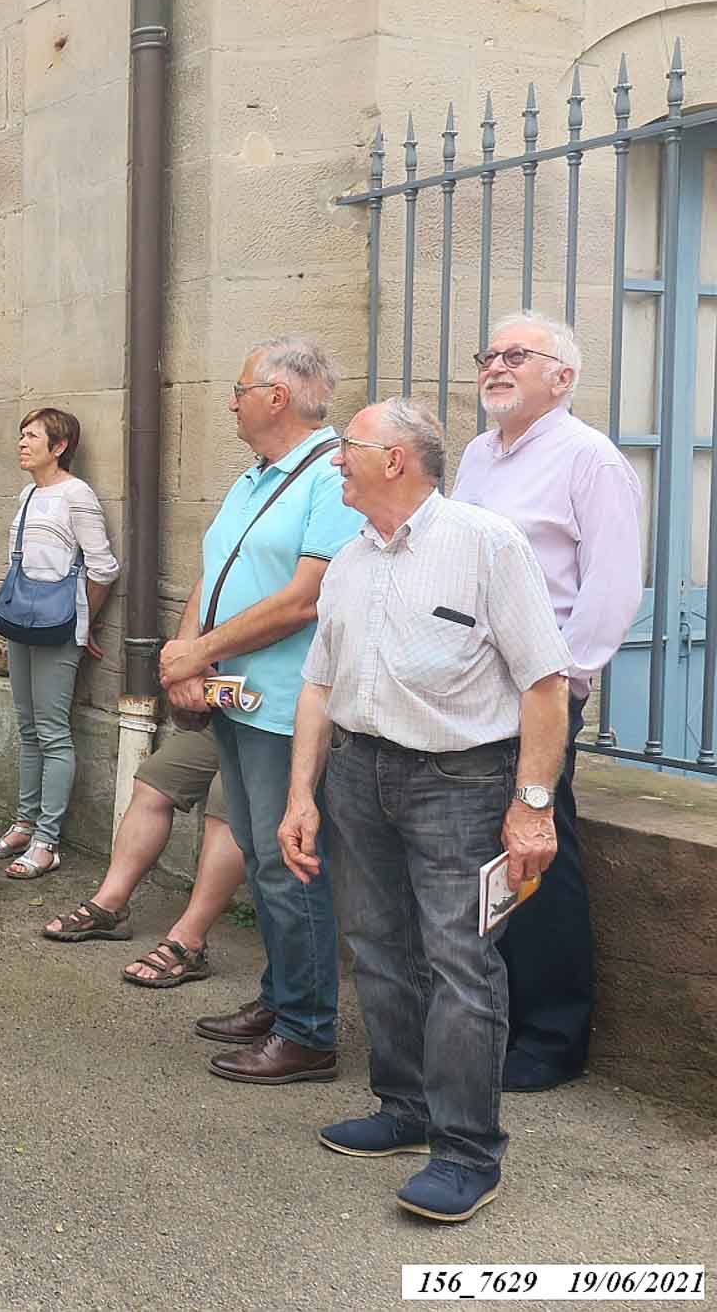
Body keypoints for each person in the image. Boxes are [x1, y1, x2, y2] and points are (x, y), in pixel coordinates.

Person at [281, 398, 571, 1223]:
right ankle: (405, 1110)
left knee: (459, 962)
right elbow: (320, 685)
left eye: (349, 448)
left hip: (462, 782)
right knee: (377, 948)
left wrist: (532, 806)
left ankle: (468, 1152)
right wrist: (303, 792)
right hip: (360, 774)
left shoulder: (485, 544)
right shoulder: (349, 559)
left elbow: (543, 684)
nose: (336, 459)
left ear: (398, 459)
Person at [158, 336, 363, 1084]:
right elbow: (216, 570)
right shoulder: (257, 475)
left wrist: (198, 649)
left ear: (278, 396)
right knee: (257, 848)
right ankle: (282, 1000)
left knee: (286, 864)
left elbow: (306, 600)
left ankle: (309, 1030)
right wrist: (188, 654)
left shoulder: (330, 474)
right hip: (235, 695)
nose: (232, 401)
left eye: (241, 388)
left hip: (286, 703)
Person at [451, 312, 642, 1093]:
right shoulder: (475, 456)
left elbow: (612, 585)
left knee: (538, 857)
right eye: (489, 354)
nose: (497, 365)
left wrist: (565, 681)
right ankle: (490, 1016)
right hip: (465, 689)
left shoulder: (590, 460)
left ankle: (555, 1035)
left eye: (516, 356)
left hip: (540, 695)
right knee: (479, 857)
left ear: (562, 377)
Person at [0, 406, 119, 876]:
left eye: (32, 436)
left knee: (54, 731)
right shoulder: (27, 494)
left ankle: (47, 840)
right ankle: (24, 822)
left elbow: (103, 566)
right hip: (23, 621)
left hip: (60, 627)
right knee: (28, 727)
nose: (22, 442)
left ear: (59, 447)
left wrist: (86, 622)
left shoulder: (76, 495)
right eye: (21, 434)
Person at [41, 728, 249, 991]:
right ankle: (110, 907)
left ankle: (190, 942)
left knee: (228, 800)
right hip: (230, 715)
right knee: (155, 778)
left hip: (277, 727)